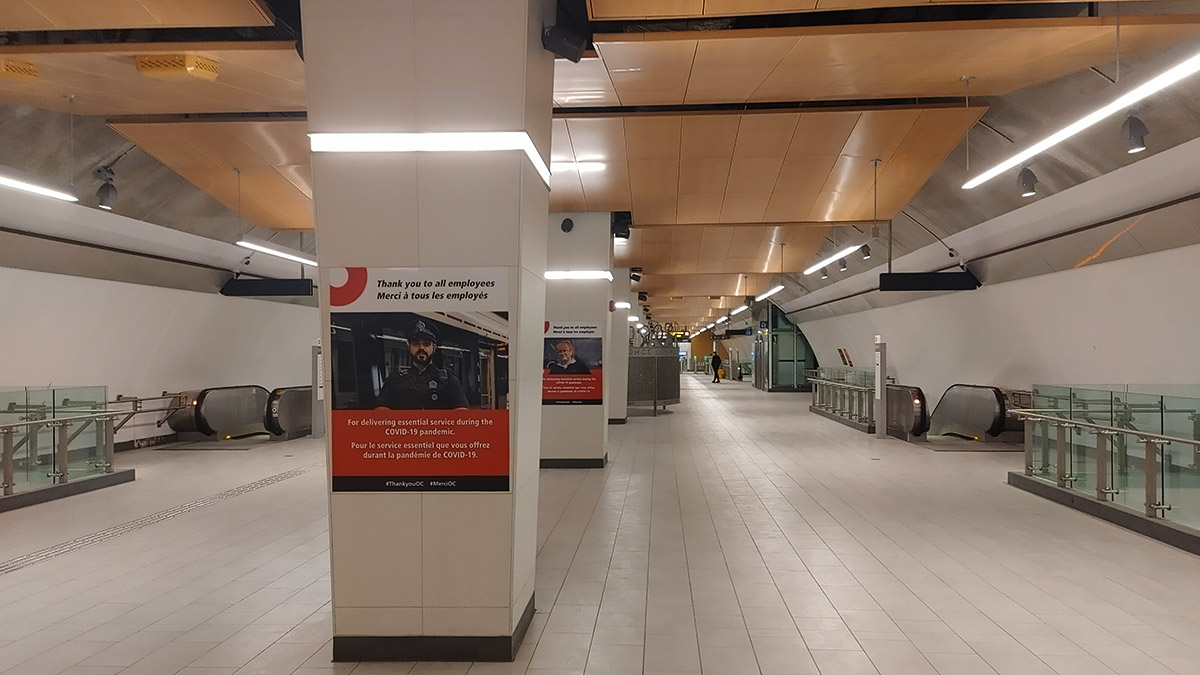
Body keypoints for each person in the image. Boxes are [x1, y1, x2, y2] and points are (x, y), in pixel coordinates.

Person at [376, 320, 469, 410]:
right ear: (409, 347)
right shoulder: (394, 379)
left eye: (427, 344)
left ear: (434, 348)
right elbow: (381, 410)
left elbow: (462, 412)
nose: (421, 348)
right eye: (416, 344)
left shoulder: (449, 380)